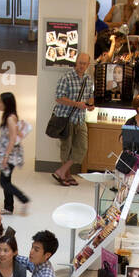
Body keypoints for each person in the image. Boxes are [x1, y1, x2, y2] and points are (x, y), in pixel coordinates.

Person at [51, 53, 95, 187]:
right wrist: (77, 104)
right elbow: (59, 98)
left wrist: (90, 105)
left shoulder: (88, 80)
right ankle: (67, 175)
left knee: (82, 147)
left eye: (84, 63)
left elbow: (90, 97)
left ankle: (61, 171)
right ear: (76, 62)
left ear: (88, 65)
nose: (81, 66)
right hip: (66, 118)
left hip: (80, 119)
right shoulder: (67, 77)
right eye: (80, 63)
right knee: (66, 148)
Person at [0, 91, 30, 214]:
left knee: (3, 181)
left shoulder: (10, 118)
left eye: (0, 102)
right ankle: (9, 207)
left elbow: (13, 138)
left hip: (10, 155)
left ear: (6, 104)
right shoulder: (9, 116)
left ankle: (23, 199)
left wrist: (5, 157)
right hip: (10, 154)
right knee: (6, 180)